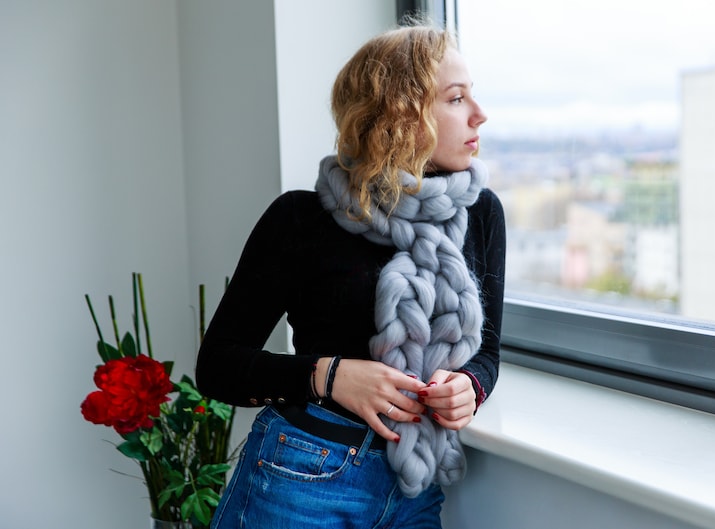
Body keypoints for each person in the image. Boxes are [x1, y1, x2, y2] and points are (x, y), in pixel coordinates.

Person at [196, 22, 505, 529]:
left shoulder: (482, 212)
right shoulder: (301, 217)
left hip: (417, 486)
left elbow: (488, 351)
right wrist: (331, 376)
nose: (479, 114)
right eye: (455, 99)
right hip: (302, 475)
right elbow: (218, 367)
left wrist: (470, 385)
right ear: (401, 114)